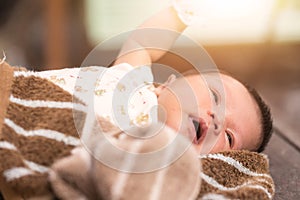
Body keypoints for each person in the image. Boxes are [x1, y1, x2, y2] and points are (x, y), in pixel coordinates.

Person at [9, 2, 272, 154]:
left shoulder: (161, 161)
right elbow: (144, 45)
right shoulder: (133, 84)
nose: (217, 119)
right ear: (164, 86)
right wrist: (185, 12)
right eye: (215, 96)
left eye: (229, 137)